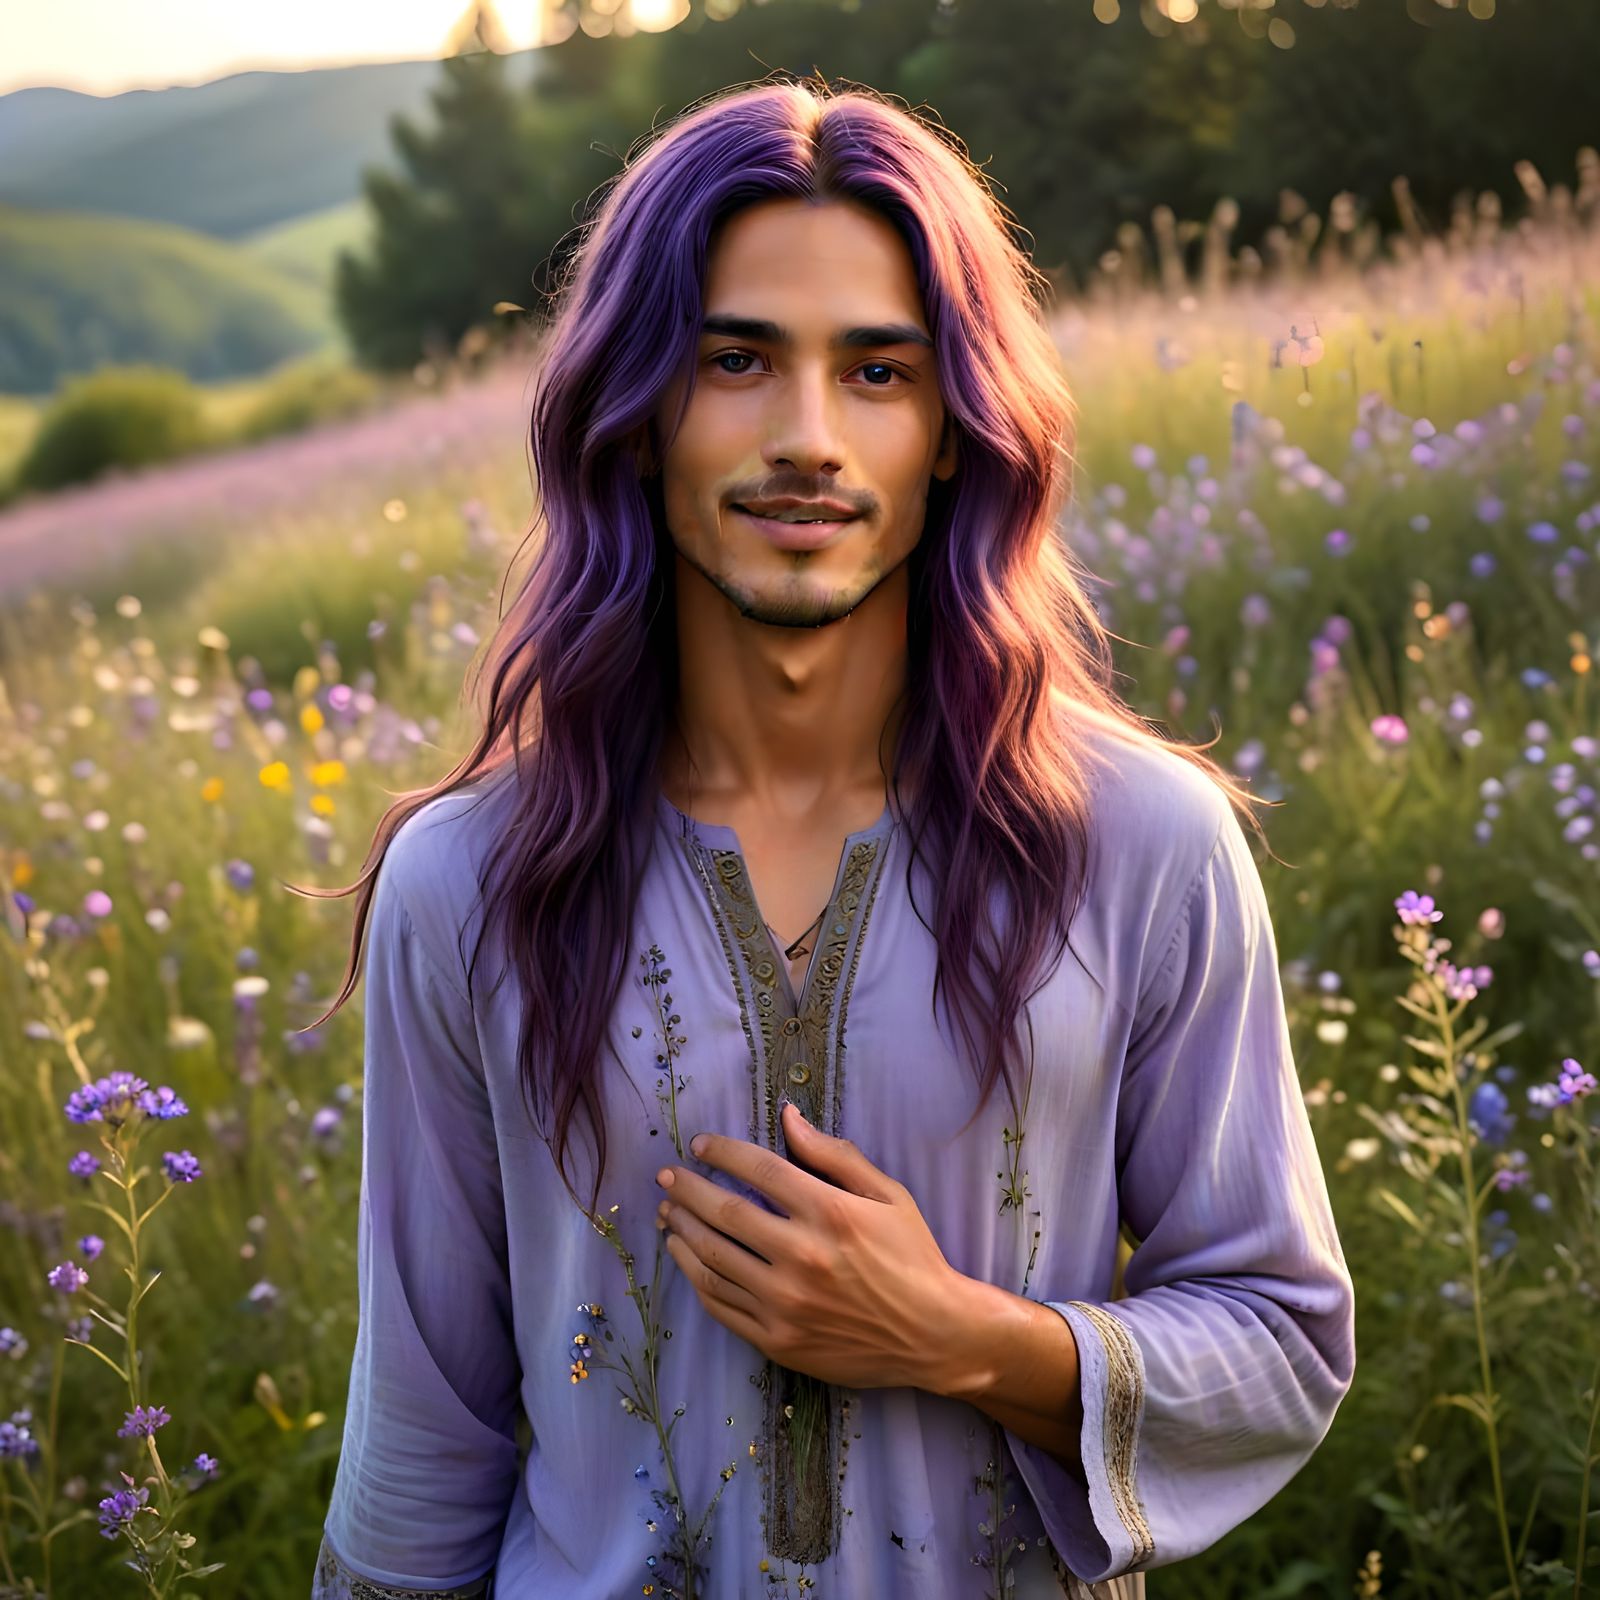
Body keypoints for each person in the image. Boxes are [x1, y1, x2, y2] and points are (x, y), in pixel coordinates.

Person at [305, 74, 1355, 1600]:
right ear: (639, 409)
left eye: (878, 371)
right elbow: (427, 1425)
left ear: (953, 428)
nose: (807, 435)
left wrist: (961, 1338)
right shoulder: (470, 882)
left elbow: (1281, 1340)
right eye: (736, 359)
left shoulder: (1142, 846)